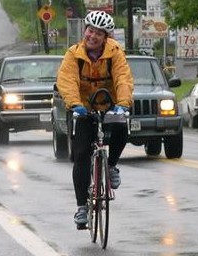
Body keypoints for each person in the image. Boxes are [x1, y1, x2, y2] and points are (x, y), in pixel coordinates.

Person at [56, 10, 134, 228]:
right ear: (85, 31)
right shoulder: (73, 54)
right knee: (81, 155)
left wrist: (123, 104)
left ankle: (111, 165)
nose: (93, 36)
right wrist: (75, 106)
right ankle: (81, 207)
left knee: (121, 129)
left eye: (99, 33)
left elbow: (123, 78)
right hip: (84, 109)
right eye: (90, 31)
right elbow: (67, 81)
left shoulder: (116, 53)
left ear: (106, 37)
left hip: (111, 105)